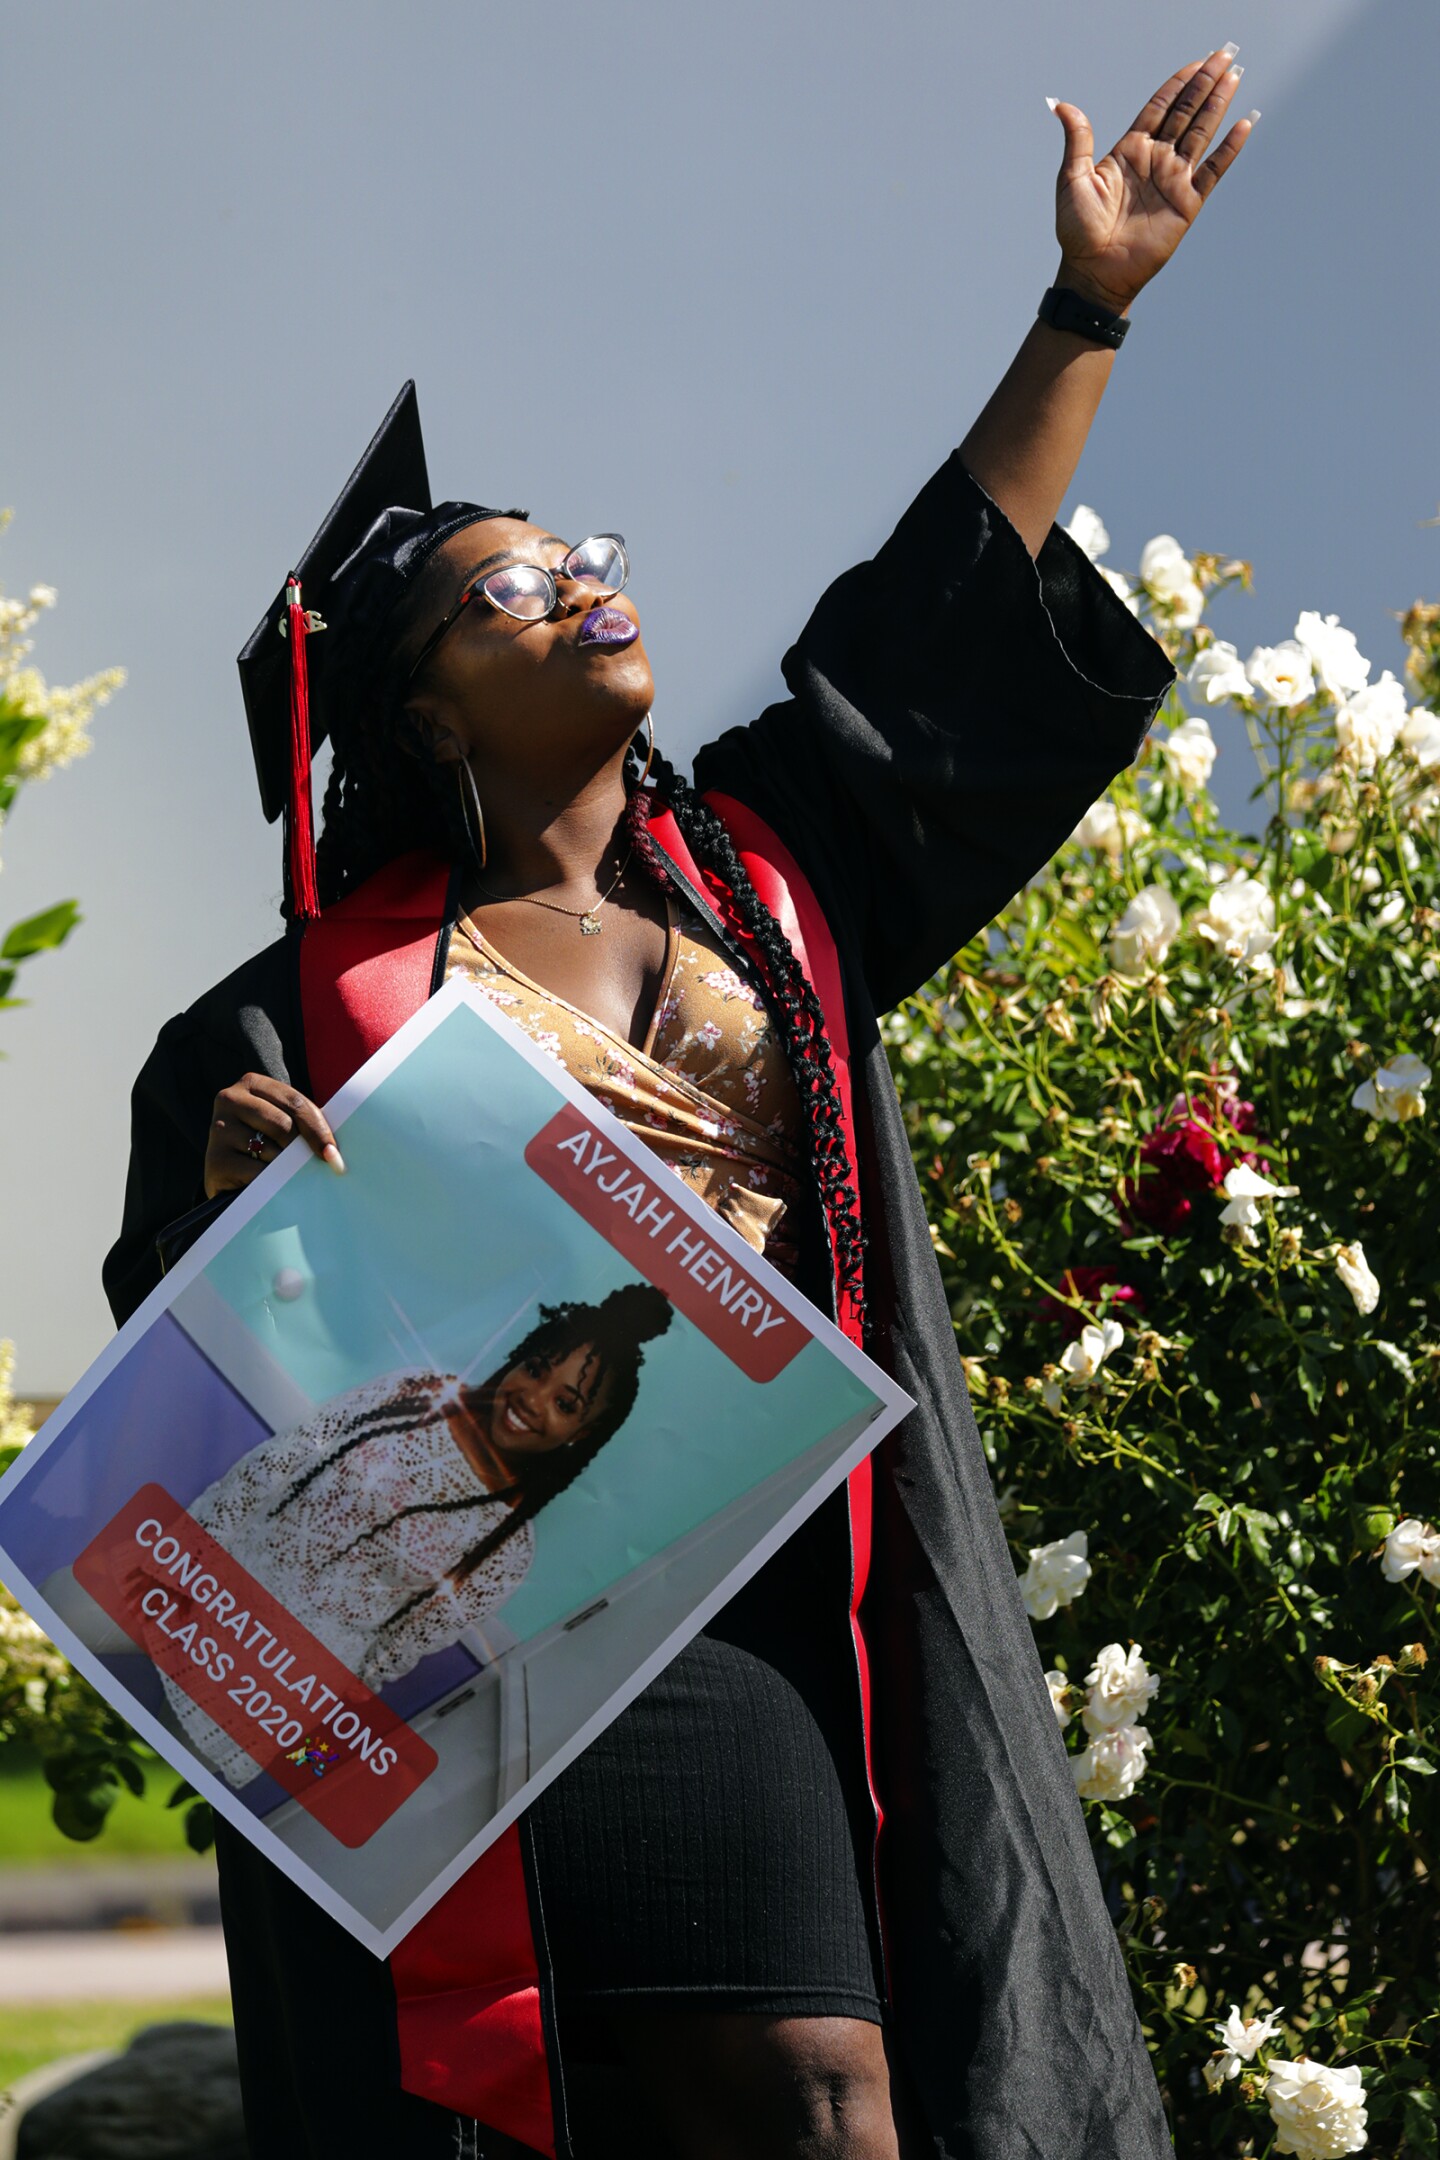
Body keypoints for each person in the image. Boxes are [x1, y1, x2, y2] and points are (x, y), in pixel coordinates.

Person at [104, 50, 1257, 2160]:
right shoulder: (287, 1011)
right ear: (422, 703)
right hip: (486, 1634)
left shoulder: (764, 870)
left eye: (589, 553)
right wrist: (226, 1199)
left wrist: (1082, 313)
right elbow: (178, 1390)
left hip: (775, 1604)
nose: (583, 585)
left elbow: (936, 627)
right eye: (510, 590)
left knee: (833, 2095)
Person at [158, 1288, 672, 1784]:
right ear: (517, 1360)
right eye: (535, 1369)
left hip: (269, 1679)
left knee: (160, 1779)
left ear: (580, 1434)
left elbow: (384, 1660)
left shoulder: (507, 1551)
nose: (533, 1399)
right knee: (79, 1621)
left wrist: (299, 1740)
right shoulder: (418, 1393)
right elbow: (276, 1465)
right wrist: (179, 1563)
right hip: (205, 1582)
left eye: (565, 1403)